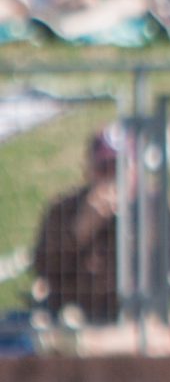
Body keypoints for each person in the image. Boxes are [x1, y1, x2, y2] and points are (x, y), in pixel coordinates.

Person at [31, 130, 122, 324]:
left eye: (118, 168)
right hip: (72, 315)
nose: (111, 177)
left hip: (131, 319)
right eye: (103, 168)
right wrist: (79, 231)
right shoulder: (63, 209)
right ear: (87, 171)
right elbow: (42, 267)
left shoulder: (151, 211)